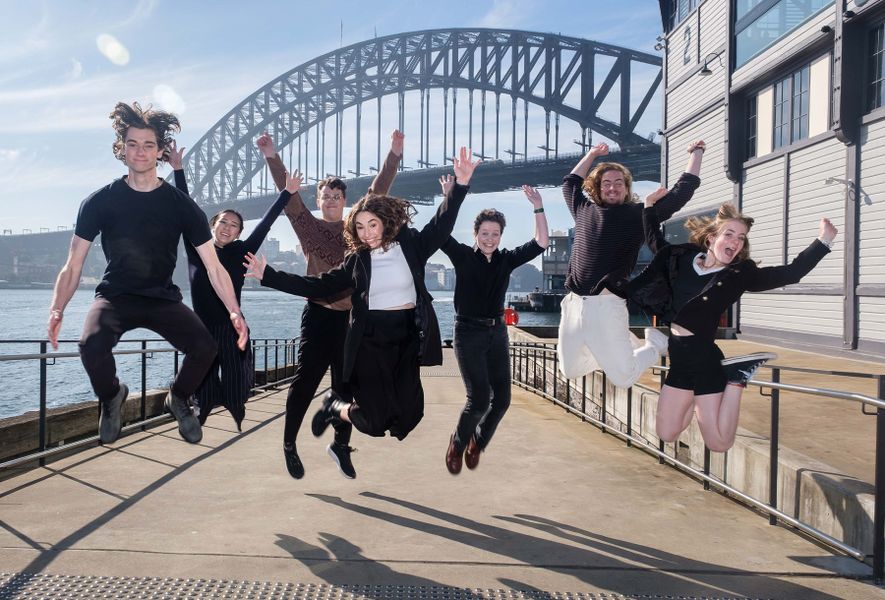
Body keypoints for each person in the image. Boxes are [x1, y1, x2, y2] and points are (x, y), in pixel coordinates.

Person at [243, 147, 480, 445]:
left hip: (406, 335)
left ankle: (338, 411)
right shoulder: (357, 261)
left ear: (383, 221)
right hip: (370, 338)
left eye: (372, 224)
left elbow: (441, 225)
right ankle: (336, 409)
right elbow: (319, 285)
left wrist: (459, 188)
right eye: (359, 227)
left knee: (410, 416)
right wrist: (269, 275)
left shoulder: (411, 245)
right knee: (374, 420)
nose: (366, 233)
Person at [47, 102, 248, 445]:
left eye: (149, 145)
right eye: (133, 144)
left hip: (161, 298)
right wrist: (57, 308)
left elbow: (214, 267)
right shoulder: (99, 202)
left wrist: (234, 310)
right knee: (90, 346)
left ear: (160, 151)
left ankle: (179, 397)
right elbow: (73, 264)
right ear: (122, 149)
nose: (140, 152)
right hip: (116, 296)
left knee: (205, 348)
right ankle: (112, 396)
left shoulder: (182, 205)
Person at [599, 200, 837, 451]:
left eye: (741, 238)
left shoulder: (739, 275)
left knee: (719, 443)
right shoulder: (680, 258)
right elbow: (654, 240)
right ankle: (698, 398)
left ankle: (736, 378)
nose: (736, 242)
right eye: (730, 234)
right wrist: (648, 208)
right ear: (712, 238)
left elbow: (791, 273)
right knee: (666, 433)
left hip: (705, 363)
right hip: (679, 360)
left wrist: (824, 241)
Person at [256, 130, 402, 480]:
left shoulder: (356, 226)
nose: (332, 200)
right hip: (319, 317)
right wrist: (272, 156)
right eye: (326, 196)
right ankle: (289, 445)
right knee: (305, 383)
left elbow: (377, 193)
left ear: (344, 200)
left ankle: (340, 445)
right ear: (319, 200)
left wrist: (394, 156)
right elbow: (289, 197)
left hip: (352, 322)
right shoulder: (308, 227)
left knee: (346, 387)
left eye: (337, 196)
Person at [557, 141, 705, 388]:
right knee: (570, 369)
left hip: (606, 305)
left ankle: (654, 345)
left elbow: (681, 193)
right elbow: (570, 181)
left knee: (623, 378)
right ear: (597, 188)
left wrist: (696, 153)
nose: (612, 187)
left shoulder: (638, 214)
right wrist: (592, 154)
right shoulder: (582, 208)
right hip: (572, 305)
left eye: (619, 183)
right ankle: (621, 348)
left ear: (626, 189)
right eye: (606, 183)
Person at [168, 139, 291, 431]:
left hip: (231, 325)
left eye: (233, 225)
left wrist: (286, 193)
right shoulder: (198, 246)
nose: (226, 227)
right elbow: (184, 208)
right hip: (202, 326)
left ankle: (237, 410)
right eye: (222, 222)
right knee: (205, 377)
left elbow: (267, 223)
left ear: (238, 233)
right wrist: (178, 170)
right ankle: (201, 412)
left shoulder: (242, 252)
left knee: (237, 377)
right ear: (212, 226)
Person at [441, 184, 549, 475]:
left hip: (497, 333)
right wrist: (449, 198)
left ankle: (478, 441)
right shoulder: (462, 256)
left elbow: (541, 241)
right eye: (485, 233)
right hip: (468, 333)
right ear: (476, 234)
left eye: (495, 234)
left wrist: (537, 205)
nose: (490, 239)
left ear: (501, 236)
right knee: (477, 401)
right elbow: (439, 232)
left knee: (502, 400)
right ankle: (458, 442)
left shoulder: (506, 259)